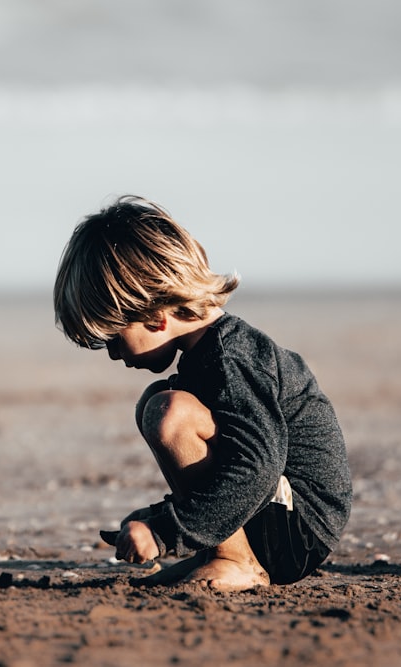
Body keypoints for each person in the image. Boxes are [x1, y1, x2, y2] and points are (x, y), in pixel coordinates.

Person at [52, 195, 352, 592]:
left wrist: (166, 528)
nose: (111, 352)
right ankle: (223, 551)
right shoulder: (206, 356)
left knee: (170, 413)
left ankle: (236, 560)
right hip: (273, 511)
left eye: (112, 336)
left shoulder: (231, 358)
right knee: (157, 402)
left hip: (299, 528)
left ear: (155, 316)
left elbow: (257, 465)